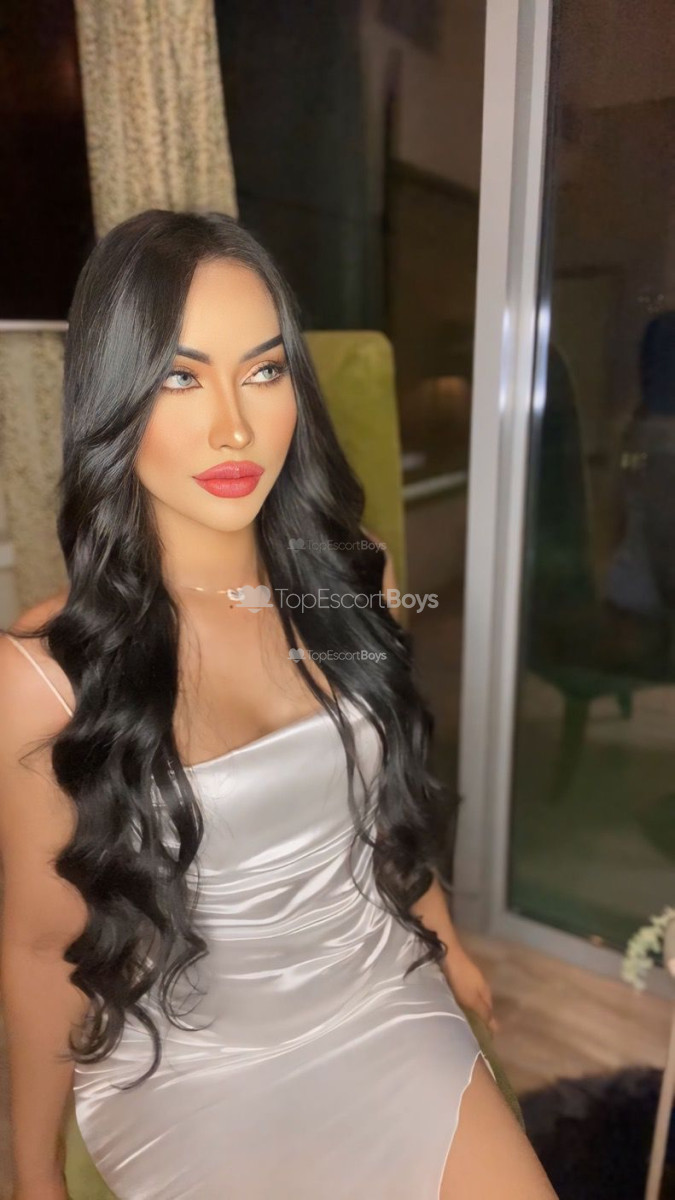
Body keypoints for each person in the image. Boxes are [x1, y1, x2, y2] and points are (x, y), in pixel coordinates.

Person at [0, 210, 558, 1199]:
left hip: (382, 998)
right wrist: (31, 1171)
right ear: (113, 400)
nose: (234, 425)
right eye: (181, 378)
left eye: (263, 371)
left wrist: (447, 941)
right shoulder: (41, 680)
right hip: (190, 1070)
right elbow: (41, 947)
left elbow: (383, 804)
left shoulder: (360, 580)